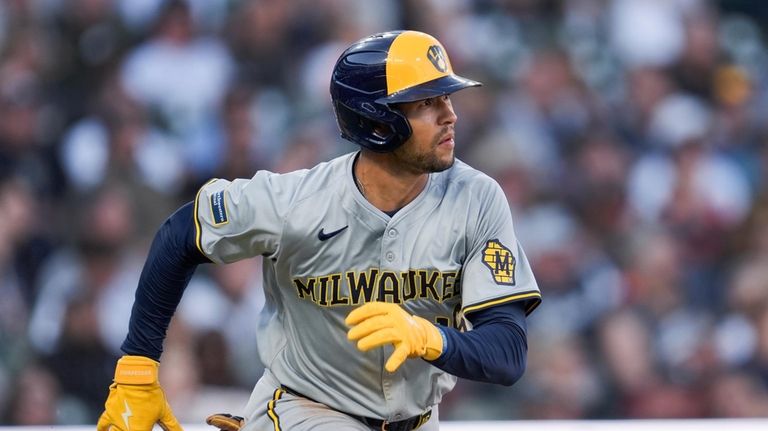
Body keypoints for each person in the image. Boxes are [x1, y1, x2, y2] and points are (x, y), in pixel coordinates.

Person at [97, 30, 542, 431]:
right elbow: (180, 234)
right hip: (307, 409)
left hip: (417, 419)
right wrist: (138, 366)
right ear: (377, 119)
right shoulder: (295, 201)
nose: (451, 115)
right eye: (428, 102)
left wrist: (432, 337)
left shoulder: (477, 198)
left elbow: (507, 353)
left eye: (447, 99)